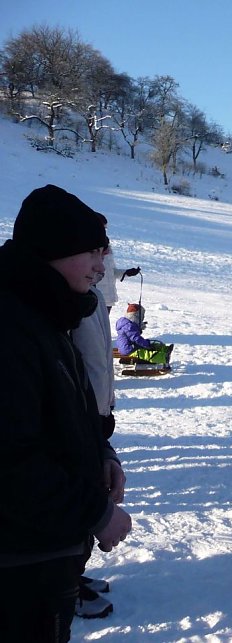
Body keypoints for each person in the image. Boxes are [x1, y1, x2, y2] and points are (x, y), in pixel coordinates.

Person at [0, 184, 132, 642]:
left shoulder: (51, 316)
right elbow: (11, 460)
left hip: (49, 548)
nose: (101, 266)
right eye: (91, 252)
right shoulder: (11, 328)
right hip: (19, 560)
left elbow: (69, 409)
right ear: (53, 250)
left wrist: (102, 453)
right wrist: (96, 512)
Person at [69, 270, 120, 619]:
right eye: (93, 253)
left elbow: (101, 359)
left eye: (103, 252)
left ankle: (74, 574)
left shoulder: (94, 297)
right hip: (77, 414)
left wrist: (105, 406)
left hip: (95, 411)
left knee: (93, 489)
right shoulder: (65, 303)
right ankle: (66, 583)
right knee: (78, 499)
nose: (100, 264)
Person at [93, 217, 139, 314]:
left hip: (108, 299)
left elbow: (111, 272)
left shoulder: (108, 248)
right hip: (95, 298)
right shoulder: (89, 246)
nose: (104, 231)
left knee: (104, 324)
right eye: (102, 228)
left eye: (105, 228)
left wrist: (126, 273)